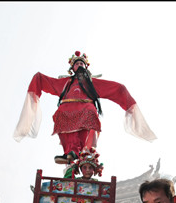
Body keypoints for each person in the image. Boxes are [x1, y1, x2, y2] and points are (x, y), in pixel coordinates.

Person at [13, 51, 156, 164]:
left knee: (90, 113)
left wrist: (128, 102)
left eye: (82, 63)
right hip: (67, 108)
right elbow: (45, 81)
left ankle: (84, 151)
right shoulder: (65, 82)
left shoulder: (92, 83)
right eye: (77, 63)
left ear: (86, 66)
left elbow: (115, 89)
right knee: (60, 114)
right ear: (72, 68)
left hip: (85, 107)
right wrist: (37, 79)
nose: (80, 65)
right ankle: (69, 153)